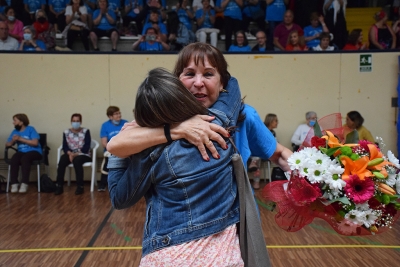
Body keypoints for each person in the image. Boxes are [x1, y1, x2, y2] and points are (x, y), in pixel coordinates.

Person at [106, 43, 292, 264]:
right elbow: (119, 143)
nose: (198, 82)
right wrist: (177, 128)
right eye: (189, 74)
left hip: (233, 227)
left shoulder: (243, 116)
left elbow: (279, 153)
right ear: (177, 82)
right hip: (214, 246)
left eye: (208, 74)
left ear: (221, 82)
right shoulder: (205, 122)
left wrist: (315, 180)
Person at [55, 113, 92, 195]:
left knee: (77, 161)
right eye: (74, 121)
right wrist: (70, 153)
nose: (75, 123)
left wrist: (75, 154)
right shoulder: (66, 132)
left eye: (77, 121)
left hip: (83, 154)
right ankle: (59, 186)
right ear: (71, 122)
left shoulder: (86, 131)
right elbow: (64, 146)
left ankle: (80, 186)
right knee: (62, 160)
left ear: (81, 122)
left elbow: (86, 146)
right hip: (70, 154)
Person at [6, 113, 42, 194]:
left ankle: (24, 183)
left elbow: (35, 143)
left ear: (21, 122)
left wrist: (21, 139)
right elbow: (7, 144)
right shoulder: (15, 131)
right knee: (14, 158)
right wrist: (13, 140)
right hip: (21, 152)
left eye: (15, 120)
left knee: (25, 158)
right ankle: (14, 183)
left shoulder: (31, 129)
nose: (13, 122)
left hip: (35, 151)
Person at [99, 106, 128, 191]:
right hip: (110, 151)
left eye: (119, 113)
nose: (119, 115)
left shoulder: (125, 123)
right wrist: (114, 148)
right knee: (107, 164)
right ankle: (102, 184)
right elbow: (104, 143)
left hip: (123, 150)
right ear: (110, 116)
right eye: (116, 114)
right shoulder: (105, 126)